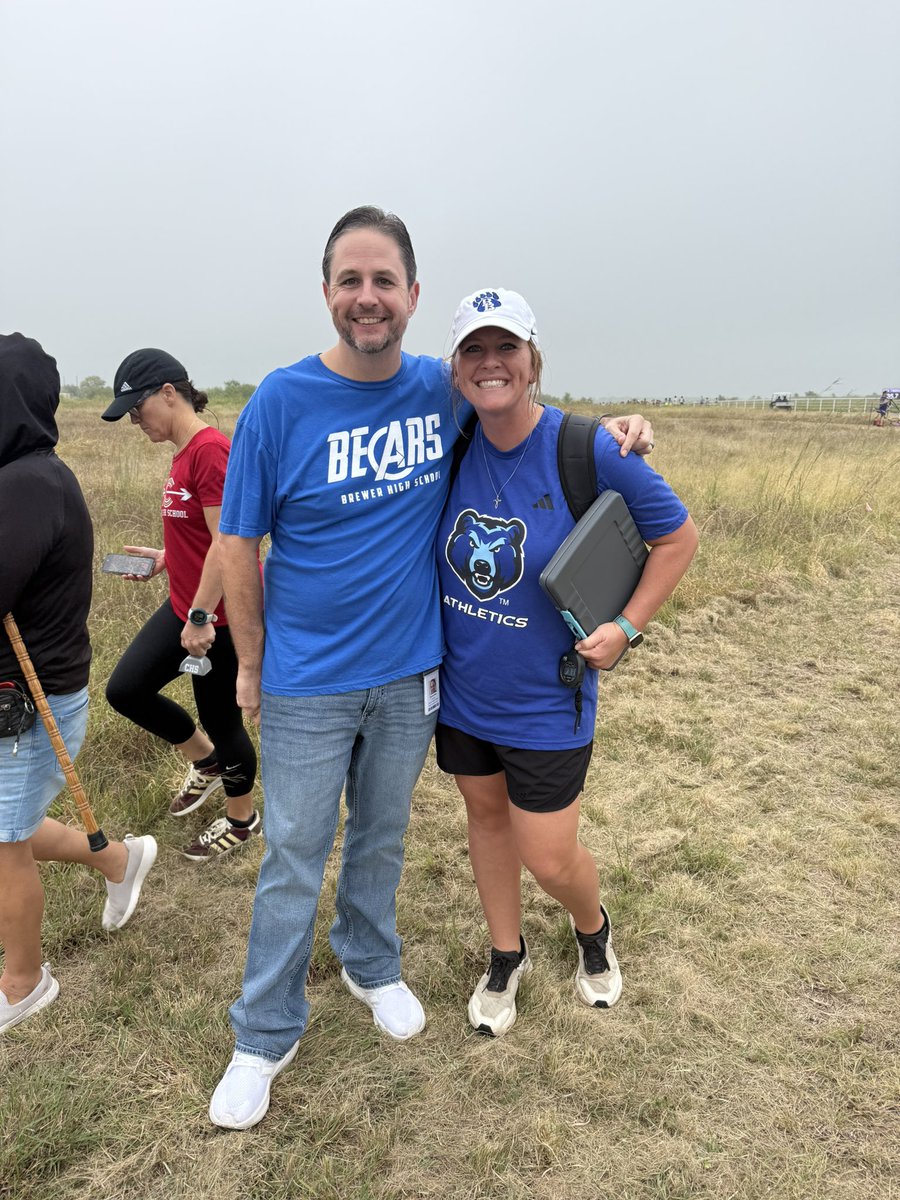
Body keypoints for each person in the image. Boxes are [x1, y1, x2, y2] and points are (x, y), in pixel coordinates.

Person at [210, 206, 654, 1129]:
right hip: (308, 681)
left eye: (384, 282)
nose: (367, 299)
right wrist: (249, 664)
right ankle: (263, 1032)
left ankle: (372, 965)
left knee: (379, 839)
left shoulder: (438, 389)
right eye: (349, 281)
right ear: (327, 293)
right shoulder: (280, 404)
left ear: (412, 298)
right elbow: (238, 540)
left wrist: (615, 430)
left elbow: (517, 407)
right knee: (293, 853)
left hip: (415, 675)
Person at [435, 289, 699, 1036]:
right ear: (457, 371)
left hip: (547, 700)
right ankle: (505, 954)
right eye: (475, 351)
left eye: (507, 348)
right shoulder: (452, 445)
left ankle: (592, 926)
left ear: (533, 361)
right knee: (485, 822)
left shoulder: (587, 449)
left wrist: (626, 626)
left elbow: (677, 539)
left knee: (548, 857)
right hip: (461, 694)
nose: (492, 364)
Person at [0, 332, 157, 1034]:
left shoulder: (28, 484)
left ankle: (23, 982)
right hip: (25, 696)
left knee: (2, 842)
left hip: (26, 702)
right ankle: (121, 860)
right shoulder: (22, 476)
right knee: (12, 827)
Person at [100, 350, 260, 861]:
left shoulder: (211, 451)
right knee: (126, 689)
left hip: (220, 615)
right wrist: (170, 558)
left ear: (169, 392)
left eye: (136, 407)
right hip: (187, 603)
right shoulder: (184, 451)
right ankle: (205, 761)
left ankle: (242, 818)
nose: (133, 420)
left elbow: (229, 541)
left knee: (222, 718)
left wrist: (201, 617)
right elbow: (202, 535)